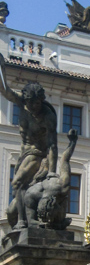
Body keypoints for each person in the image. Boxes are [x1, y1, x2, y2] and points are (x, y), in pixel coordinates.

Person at [0, 53, 58, 230]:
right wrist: (1, 65)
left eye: (37, 104)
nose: (34, 107)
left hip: (37, 154)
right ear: (26, 100)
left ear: (42, 101)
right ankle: (20, 220)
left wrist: (51, 172)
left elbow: (52, 145)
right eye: (31, 104)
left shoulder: (47, 117)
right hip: (23, 155)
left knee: (17, 183)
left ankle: (23, 221)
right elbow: (4, 90)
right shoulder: (20, 102)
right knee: (12, 210)